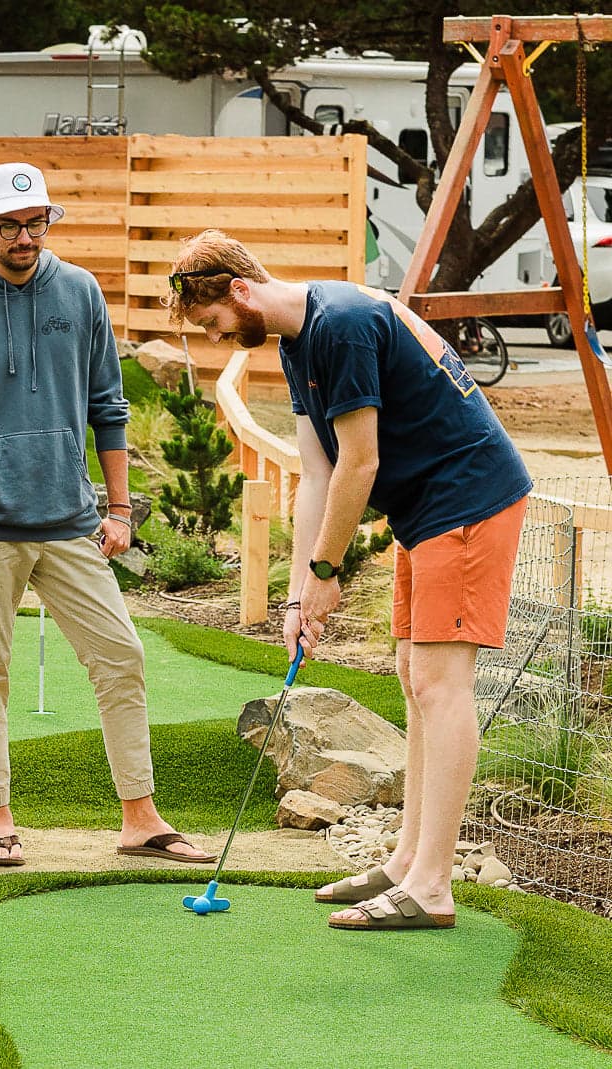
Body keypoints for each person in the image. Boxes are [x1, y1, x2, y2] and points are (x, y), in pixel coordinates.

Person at [164, 229, 531, 930]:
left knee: (440, 684)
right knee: (411, 672)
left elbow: (360, 464)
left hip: (468, 496)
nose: (216, 336)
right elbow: (319, 475)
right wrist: (301, 590)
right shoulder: (301, 341)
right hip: (426, 510)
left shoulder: (343, 325)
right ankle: (405, 863)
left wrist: (330, 571)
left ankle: (431, 886)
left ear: (239, 291)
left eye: (213, 322)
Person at [0, 162, 214, 868]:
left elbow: (109, 405)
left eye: (35, 221)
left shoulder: (78, 292)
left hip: (70, 520)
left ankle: (140, 817)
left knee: (121, 656)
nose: (24, 235)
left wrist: (121, 508)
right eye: (9, 224)